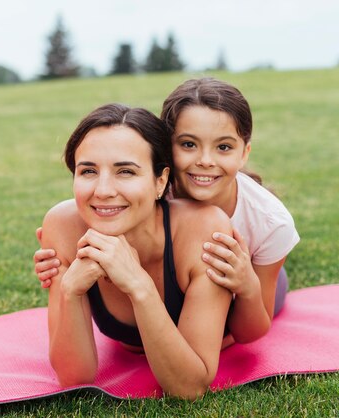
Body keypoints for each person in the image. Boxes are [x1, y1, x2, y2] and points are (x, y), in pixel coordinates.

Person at [36, 78, 300, 346]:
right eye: (188, 144)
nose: (205, 161)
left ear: (244, 153)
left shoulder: (270, 222)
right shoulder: (149, 189)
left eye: (223, 147)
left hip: (253, 282)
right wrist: (60, 257)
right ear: (165, 147)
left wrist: (247, 286)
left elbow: (252, 331)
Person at [43, 103, 232, 399]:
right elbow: (74, 378)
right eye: (89, 171)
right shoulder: (62, 225)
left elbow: (189, 388)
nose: (103, 190)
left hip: (247, 296)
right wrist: (70, 291)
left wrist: (138, 284)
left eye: (126, 172)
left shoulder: (205, 228)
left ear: (160, 181)